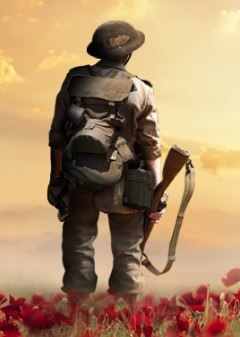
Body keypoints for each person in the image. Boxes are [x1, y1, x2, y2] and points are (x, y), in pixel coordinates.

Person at [47, 20, 164, 305]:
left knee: (78, 240)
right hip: (124, 182)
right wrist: (157, 193)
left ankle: (76, 308)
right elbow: (150, 147)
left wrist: (56, 177)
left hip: (78, 176)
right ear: (128, 55)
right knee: (127, 246)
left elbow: (58, 136)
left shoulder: (73, 80)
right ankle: (129, 315)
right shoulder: (142, 89)